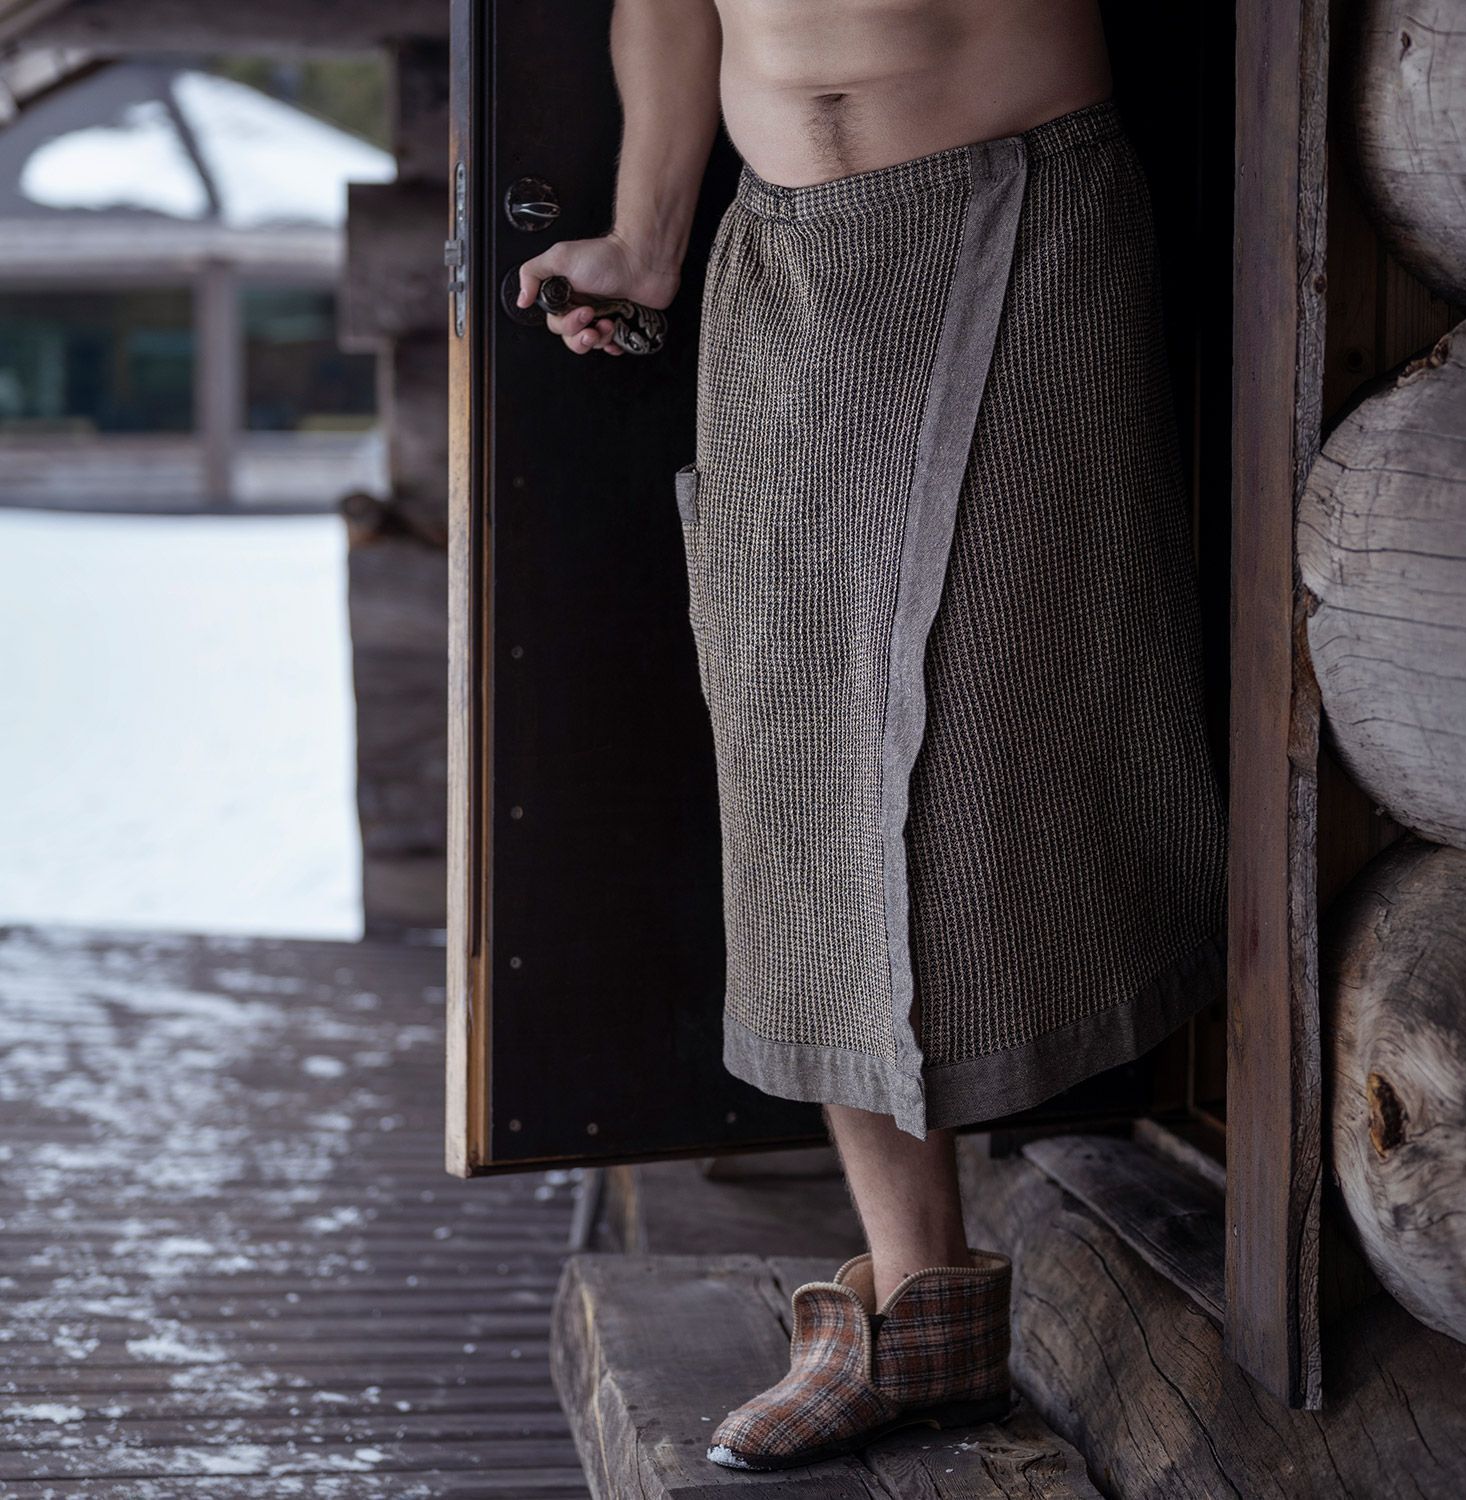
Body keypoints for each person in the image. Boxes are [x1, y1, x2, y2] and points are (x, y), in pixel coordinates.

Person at [516, 0, 1228, 1473]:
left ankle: (1193, 1178)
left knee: (992, 736)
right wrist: (648, 236)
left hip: (1010, 210)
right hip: (782, 256)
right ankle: (922, 1304)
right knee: (801, 755)